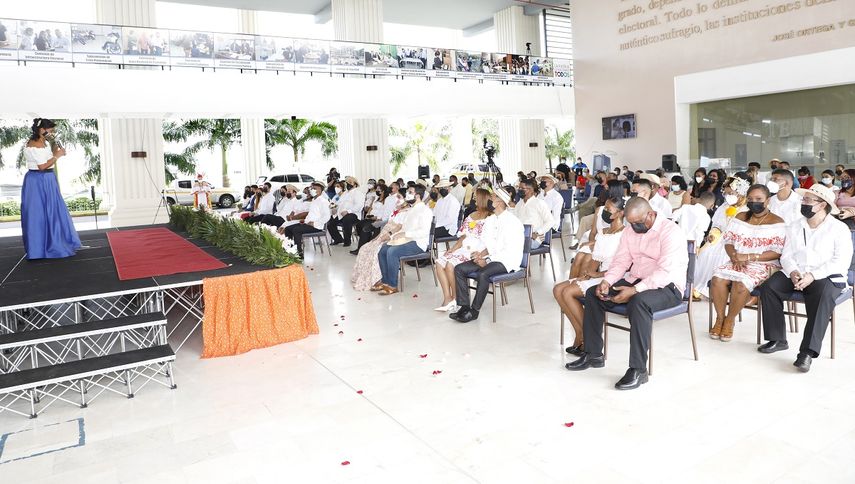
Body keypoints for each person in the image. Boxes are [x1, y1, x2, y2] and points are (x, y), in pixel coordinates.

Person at [565, 197, 688, 390]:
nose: (635, 227)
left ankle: (639, 370)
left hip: (668, 286)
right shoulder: (630, 230)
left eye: (638, 223)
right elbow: (621, 262)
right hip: (636, 279)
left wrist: (634, 290)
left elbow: (665, 272)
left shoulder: (670, 231)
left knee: (639, 303)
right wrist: (607, 281)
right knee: (593, 294)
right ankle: (593, 354)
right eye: (631, 223)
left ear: (650, 213)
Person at [757, 185, 853, 372]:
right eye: (804, 200)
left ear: (822, 205)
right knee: (769, 287)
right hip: (797, 272)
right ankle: (777, 339)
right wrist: (793, 271)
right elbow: (786, 255)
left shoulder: (839, 229)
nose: (804, 203)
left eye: (808, 201)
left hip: (826, 275)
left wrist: (812, 276)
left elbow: (840, 262)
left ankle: (807, 353)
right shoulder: (795, 225)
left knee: (823, 296)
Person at [709, 184, 786, 341]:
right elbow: (728, 241)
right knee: (717, 279)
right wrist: (734, 256)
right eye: (750, 199)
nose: (754, 202)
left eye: (758, 199)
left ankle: (730, 321)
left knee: (740, 283)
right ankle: (720, 318)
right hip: (737, 259)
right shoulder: (740, 217)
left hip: (764, 263)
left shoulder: (777, 222)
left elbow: (777, 252)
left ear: (768, 200)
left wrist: (749, 257)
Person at [553, 197, 626, 356]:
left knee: (568, 292)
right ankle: (580, 333)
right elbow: (595, 259)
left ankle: (587, 337)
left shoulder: (625, 234)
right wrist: (586, 275)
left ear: (620, 213)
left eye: (609, 210)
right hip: (599, 275)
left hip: (612, 277)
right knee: (558, 289)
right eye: (604, 208)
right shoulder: (604, 232)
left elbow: (623, 266)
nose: (605, 212)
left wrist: (598, 274)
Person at [450, 188, 524, 323]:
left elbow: (508, 250)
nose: (489, 199)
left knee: (483, 274)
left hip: (506, 260)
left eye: (493, 197)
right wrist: (480, 255)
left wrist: (487, 260)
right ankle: (464, 307)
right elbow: (487, 244)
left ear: (500, 202)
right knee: (459, 269)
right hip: (490, 258)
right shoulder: (490, 220)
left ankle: (474, 310)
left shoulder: (513, 222)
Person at [20, 118, 81, 259]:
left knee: (52, 211)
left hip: (47, 179)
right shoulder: (34, 144)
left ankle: (54, 242)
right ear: (42, 129)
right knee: (39, 213)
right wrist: (58, 156)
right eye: (50, 129)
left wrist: (55, 148)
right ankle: (40, 248)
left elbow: (48, 157)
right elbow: (42, 166)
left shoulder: (44, 142)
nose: (52, 132)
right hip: (38, 180)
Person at [434, 188, 493, 311]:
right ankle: (447, 297)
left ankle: (457, 298)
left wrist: (481, 255)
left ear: (482, 199)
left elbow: (491, 242)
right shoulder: (471, 215)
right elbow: (463, 236)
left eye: (476, 197)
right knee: (439, 263)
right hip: (464, 248)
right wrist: (453, 249)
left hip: (476, 251)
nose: (473, 199)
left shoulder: (490, 218)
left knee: (450, 265)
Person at [694, 174, 752, 298]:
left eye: (731, 193)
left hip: (737, 242)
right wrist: (713, 235)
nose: (728, 196)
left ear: (740, 193)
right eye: (726, 193)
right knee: (705, 253)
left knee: (722, 256)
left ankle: (717, 289)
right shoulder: (723, 207)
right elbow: (717, 226)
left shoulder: (746, 209)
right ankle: (702, 286)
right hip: (720, 239)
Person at [374, 185, 433, 295]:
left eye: (410, 192)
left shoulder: (425, 211)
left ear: (418, 195)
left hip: (418, 243)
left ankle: (392, 285)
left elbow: (423, 232)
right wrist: (393, 236)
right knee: (383, 250)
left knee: (392, 252)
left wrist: (405, 234)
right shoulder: (410, 210)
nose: (407, 194)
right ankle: (385, 281)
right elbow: (402, 229)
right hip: (406, 239)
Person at [351, 193, 408, 291]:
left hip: (394, 236)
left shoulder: (407, 212)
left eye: (400, 198)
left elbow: (400, 228)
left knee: (377, 250)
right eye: (396, 199)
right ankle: (368, 276)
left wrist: (387, 236)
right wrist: (377, 237)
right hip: (384, 234)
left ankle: (379, 278)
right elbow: (386, 226)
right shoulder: (394, 211)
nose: (397, 201)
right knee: (365, 248)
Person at [281, 182, 331, 257]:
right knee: (288, 229)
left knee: (296, 230)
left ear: (320, 190)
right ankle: (290, 249)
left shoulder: (323, 201)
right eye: (312, 188)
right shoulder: (314, 200)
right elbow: (312, 214)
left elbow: (327, 216)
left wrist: (315, 223)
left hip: (317, 226)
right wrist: (305, 220)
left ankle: (299, 253)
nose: (312, 190)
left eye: (315, 189)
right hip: (307, 224)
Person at [512, 178, 555, 250]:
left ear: (531, 190)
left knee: (511, 245)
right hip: (520, 236)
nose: (519, 190)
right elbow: (515, 221)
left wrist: (537, 233)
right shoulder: (519, 203)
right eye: (519, 188)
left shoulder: (539, 203)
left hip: (534, 239)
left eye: (522, 188)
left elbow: (550, 221)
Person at [328, 177, 363, 247]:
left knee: (347, 220)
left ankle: (347, 241)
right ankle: (338, 239)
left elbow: (359, 205)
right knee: (330, 223)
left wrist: (348, 211)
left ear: (355, 184)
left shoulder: (358, 193)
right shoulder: (345, 193)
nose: (348, 184)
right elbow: (339, 203)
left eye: (350, 182)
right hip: (341, 213)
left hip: (353, 214)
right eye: (347, 182)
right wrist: (335, 209)